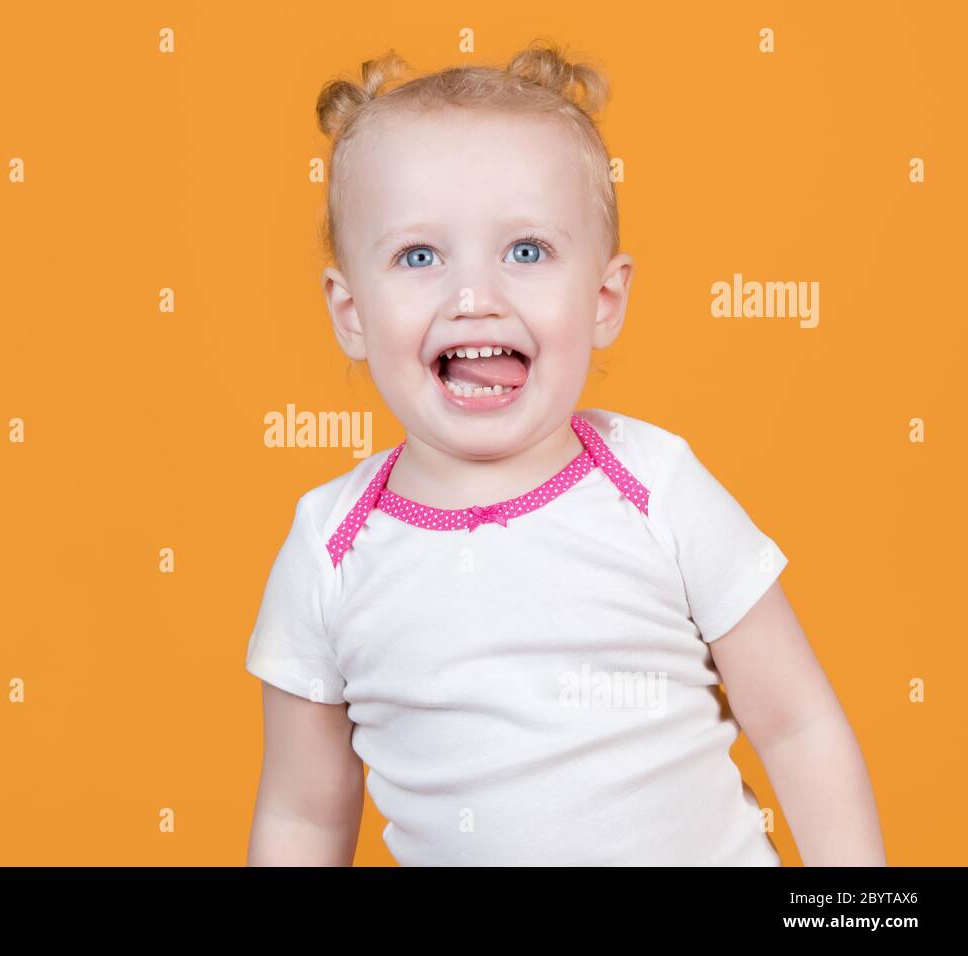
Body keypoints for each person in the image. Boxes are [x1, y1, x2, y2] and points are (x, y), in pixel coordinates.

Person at [245, 38, 885, 866]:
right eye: (419, 256)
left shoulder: (655, 487)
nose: (474, 298)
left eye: (526, 251)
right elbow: (301, 818)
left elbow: (797, 725)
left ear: (605, 299)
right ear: (351, 312)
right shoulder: (330, 550)